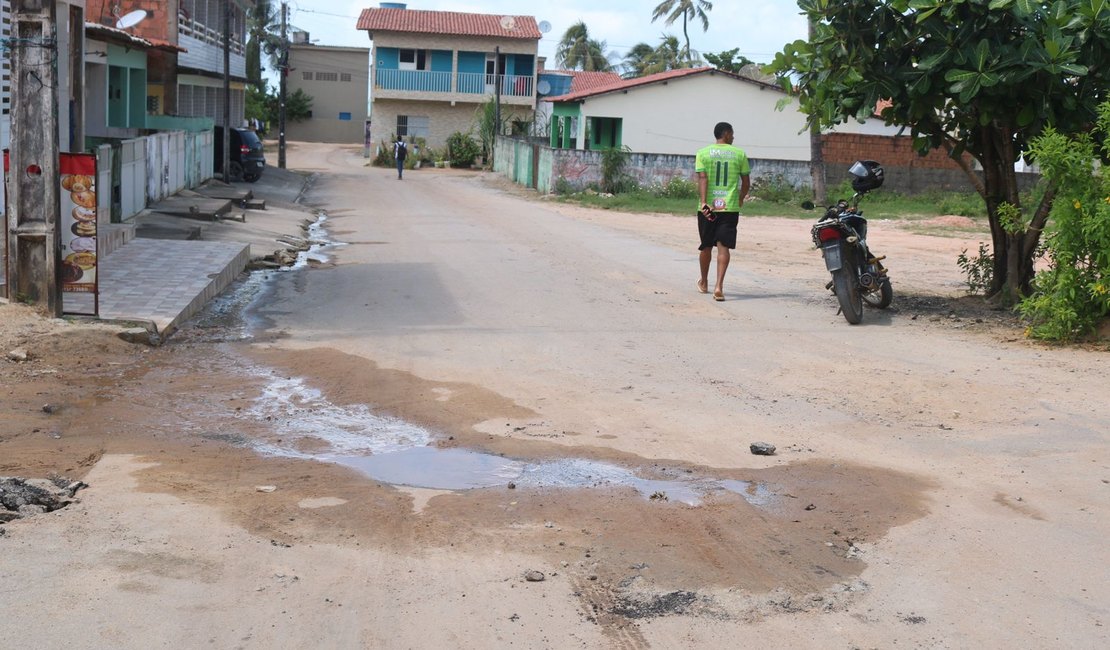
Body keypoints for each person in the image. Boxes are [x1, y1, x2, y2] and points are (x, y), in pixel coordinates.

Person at [694, 122, 751, 301]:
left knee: (706, 246)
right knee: (723, 247)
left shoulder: (702, 153)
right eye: (732, 133)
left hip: (708, 209)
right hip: (730, 207)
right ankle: (719, 286)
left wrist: (704, 202)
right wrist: (740, 198)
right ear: (726, 133)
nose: (733, 137)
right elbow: (746, 182)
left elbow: (702, 178)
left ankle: (704, 281)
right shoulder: (740, 154)